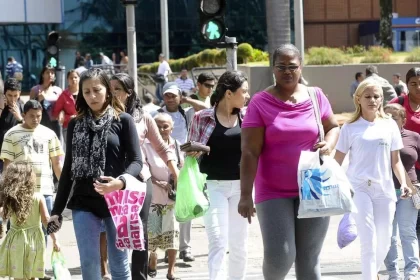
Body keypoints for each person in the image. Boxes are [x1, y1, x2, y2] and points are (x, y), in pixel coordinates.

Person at [238, 44, 340, 280]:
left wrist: (330, 143)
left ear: (300, 67)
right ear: (273, 69)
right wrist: (245, 195)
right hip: (273, 191)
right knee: (280, 256)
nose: (287, 72)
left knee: (309, 259)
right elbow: (250, 152)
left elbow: (333, 127)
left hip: (313, 186)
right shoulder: (260, 102)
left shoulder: (316, 96)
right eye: (281, 67)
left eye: (292, 67)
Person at [49, 68, 142, 279]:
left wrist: (119, 183)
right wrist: (56, 210)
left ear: (107, 91)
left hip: (117, 200)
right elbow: (68, 171)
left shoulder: (124, 120)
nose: (92, 96)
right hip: (83, 200)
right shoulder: (75, 124)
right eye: (86, 91)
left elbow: (137, 161)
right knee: (89, 264)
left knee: (119, 263)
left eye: (97, 90)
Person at [334, 79, 409, 280]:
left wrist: (403, 183)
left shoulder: (390, 125)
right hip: (359, 189)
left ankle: (372, 273)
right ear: (358, 99)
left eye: (376, 97)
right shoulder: (349, 127)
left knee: (384, 242)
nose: (372, 100)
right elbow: (337, 161)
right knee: (368, 241)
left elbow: (396, 161)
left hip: (384, 189)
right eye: (367, 96)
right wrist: (338, 186)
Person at [110, 73, 179, 280]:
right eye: (110, 88)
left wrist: (175, 172)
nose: (112, 93)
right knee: (116, 230)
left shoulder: (144, 117)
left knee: (140, 230)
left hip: (140, 179)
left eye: (117, 89)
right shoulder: (103, 116)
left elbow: (162, 148)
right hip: (112, 181)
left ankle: (139, 276)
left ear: (129, 93)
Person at [188, 70, 250, 280]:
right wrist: (194, 152)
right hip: (212, 186)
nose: (247, 96)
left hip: (242, 188)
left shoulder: (248, 117)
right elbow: (189, 152)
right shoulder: (202, 117)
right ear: (229, 93)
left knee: (239, 245)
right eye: (244, 92)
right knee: (218, 240)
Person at [0, 99, 63, 246]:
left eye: (39, 116)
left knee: (44, 229)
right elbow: (7, 166)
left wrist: (65, 189)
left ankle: (40, 266)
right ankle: (17, 267)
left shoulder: (49, 134)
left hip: (45, 190)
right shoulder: (11, 134)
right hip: (19, 192)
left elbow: (56, 163)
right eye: (32, 116)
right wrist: (6, 192)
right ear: (23, 114)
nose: (36, 119)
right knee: (16, 229)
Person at [0, 162, 60, 280]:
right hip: (35, 242)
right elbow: (46, 220)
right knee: (33, 275)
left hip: (15, 240)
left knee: (18, 276)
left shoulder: (10, 199)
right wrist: (55, 239)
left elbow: (2, 215)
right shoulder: (38, 197)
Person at [383, 103, 419, 280]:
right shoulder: (377, 138)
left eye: (394, 117)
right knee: (388, 235)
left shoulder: (414, 137)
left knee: (408, 232)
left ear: (403, 120)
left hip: (409, 191)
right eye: (386, 116)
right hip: (384, 192)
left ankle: (411, 272)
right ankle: (393, 273)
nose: (389, 120)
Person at [144, 113, 182, 280]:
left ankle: (171, 271)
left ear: (171, 127)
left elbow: (181, 167)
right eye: (157, 126)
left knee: (172, 234)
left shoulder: (177, 146)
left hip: (172, 199)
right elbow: (142, 171)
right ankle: (152, 258)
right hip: (153, 198)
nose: (161, 129)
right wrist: (159, 182)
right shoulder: (145, 146)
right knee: (153, 235)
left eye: (165, 126)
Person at [30, 65, 63, 140]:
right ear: (43, 75)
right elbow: (29, 108)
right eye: (47, 72)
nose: (50, 75)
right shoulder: (35, 89)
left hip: (55, 123)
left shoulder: (58, 90)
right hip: (40, 123)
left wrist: (61, 113)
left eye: (52, 73)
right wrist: (38, 99)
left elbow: (62, 106)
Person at [0, 78, 24, 173]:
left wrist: (19, 118)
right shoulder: (1, 105)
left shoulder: (22, 107)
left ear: (19, 94)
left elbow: (30, 129)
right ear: (4, 94)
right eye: (10, 95)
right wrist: (1, 108)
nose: (13, 99)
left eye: (15, 96)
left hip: (16, 155)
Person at [52, 70, 79, 149]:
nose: (73, 79)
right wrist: (68, 117)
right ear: (67, 80)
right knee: (71, 152)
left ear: (79, 78)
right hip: (68, 127)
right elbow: (56, 113)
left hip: (83, 126)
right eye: (71, 78)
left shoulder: (84, 93)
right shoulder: (63, 95)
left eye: (75, 77)